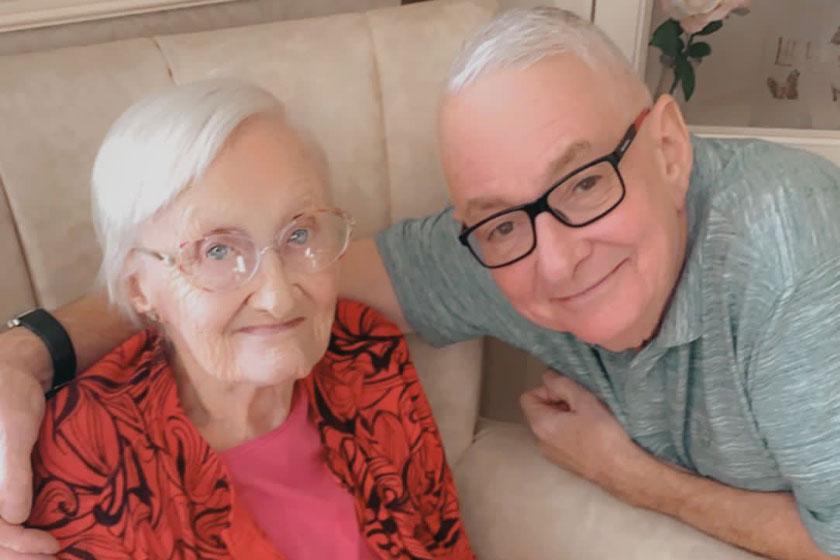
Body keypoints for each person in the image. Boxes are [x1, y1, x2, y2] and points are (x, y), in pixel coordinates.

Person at [1, 6, 840, 560]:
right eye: (217, 251)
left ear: (667, 148)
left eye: (586, 181)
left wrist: (631, 477)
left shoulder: (796, 259)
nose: (554, 262)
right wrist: (26, 353)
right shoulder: (77, 459)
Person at [10, 79, 474, 559]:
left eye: (299, 235)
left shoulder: (364, 353)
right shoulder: (84, 452)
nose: (276, 297)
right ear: (138, 288)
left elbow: (443, 545)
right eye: (216, 250)